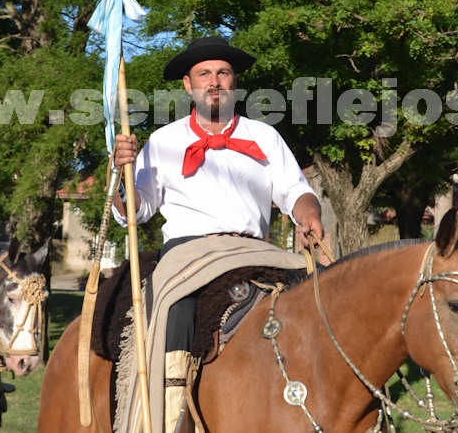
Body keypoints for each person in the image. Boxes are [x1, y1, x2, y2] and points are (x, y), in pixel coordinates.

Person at [110, 35, 323, 433]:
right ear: (188, 86)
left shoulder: (265, 136)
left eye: (223, 72)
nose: (214, 80)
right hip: (189, 255)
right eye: (204, 73)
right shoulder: (163, 141)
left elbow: (294, 190)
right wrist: (123, 177)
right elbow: (137, 210)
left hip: (256, 252)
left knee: (320, 296)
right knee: (176, 308)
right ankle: (169, 415)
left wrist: (308, 211)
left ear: (234, 83)